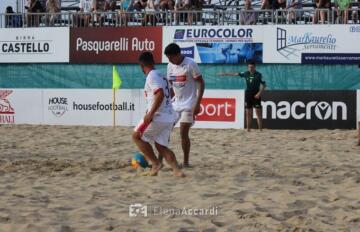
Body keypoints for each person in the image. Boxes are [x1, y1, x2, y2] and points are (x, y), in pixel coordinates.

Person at [133, 51, 184, 177]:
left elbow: (160, 94)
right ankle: (177, 170)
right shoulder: (161, 76)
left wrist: (151, 113)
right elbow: (171, 94)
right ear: (153, 62)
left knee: (136, 136)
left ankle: (155, 163)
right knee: (161, 147)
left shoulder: (151, 76)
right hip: (169, 116)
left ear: (141, 65)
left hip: (158, 116)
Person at [164, 43, 205, 167]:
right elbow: (170, 86)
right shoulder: (170, 65)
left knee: (183, 132)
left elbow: (201, 83)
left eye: (171, 57)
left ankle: (186, 162)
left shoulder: (190, 63)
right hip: (175, 104)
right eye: (168, 58)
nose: (169, 60)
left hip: (189, 104)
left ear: (178, 54)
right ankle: (159, 161)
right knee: (164, 132)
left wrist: (197, 103)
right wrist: (167, 103)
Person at [218, 61, 266, 132]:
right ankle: (248, 129)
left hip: (256, 95)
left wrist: (259, 93)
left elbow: (264, 85)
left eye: (252, 67)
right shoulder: (245, 73)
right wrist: (224, 74)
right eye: (249, 67)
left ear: (255, 67)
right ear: (248, 67)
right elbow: (235, 74)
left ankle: (260, 130)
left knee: (258, 112)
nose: (250, 68)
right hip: (248, 94)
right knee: (248, 112)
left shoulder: (259, 75)